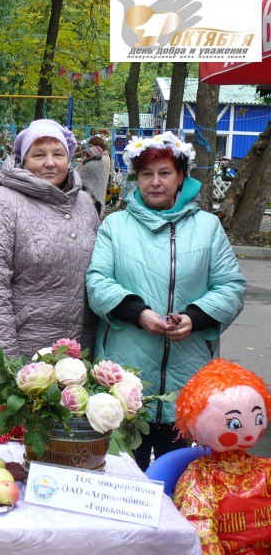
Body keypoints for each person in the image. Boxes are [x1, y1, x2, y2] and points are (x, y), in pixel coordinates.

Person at [86, 131, 246, 470]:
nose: (155, 182)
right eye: (147, 174)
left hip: (188, 376)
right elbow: (97, 282)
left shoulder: (208, 228)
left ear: (181, 178)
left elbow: (230, 286)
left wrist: (196, 317)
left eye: (164, 173)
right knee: (124, 482)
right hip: (124, 379)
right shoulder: (114, 226)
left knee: (183, 481)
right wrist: (139, 313)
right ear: (136, 179)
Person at [0, 119, 100, 377]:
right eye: (39, 154)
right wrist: (6, 363)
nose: (50, 162)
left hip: (78, 355)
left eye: (58, 154)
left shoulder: (84, 203)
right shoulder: (3, 203)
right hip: (21, 355)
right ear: (23, 160)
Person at [173, 358, 271, 553]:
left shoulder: (265, 469)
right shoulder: (201, 478)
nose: (250, 432)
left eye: (257, 417)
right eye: (235, 424)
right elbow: (200, 531)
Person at [77, 135, 111, 215]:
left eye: (91, 146)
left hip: (94, 193)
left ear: (97, 146)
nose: (89, 148)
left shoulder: (102, 159)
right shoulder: (94, 156)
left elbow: (95, 176)